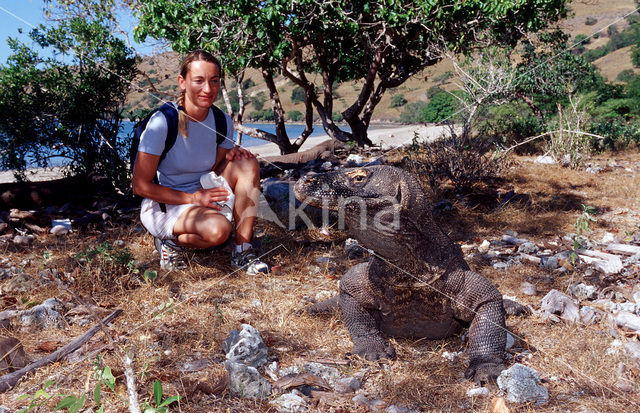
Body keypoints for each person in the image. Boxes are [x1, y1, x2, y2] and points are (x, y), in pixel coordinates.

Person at [132, 49, 269, 275]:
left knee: (248, 162)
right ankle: (169, 243)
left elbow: (211, 167)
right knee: (218, 232)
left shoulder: (222, 121)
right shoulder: (162, 123)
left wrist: (230, 155)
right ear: (182, 82)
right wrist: (194, 198)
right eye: (199, 81)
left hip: (202, 195)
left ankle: (243, 250)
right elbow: (140, 186)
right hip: (165, 204)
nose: (208, 89)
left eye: (214, 81)